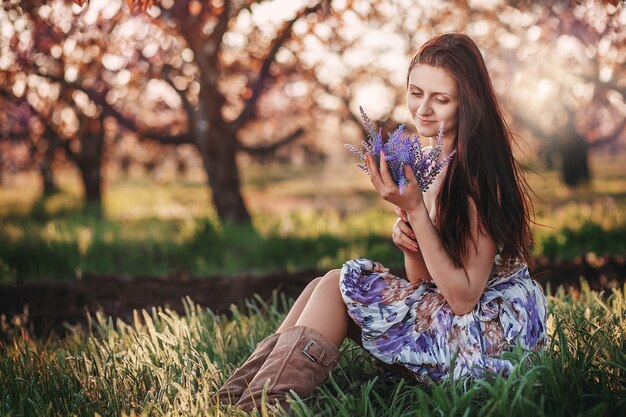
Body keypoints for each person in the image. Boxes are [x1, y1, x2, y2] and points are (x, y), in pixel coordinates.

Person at [215, 32, 548, 412]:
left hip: (490, 343)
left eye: (441, 99)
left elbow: (463, 297)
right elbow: (424, 286)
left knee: (338, 285)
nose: (423, 108)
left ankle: (266, 404)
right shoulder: (429, 161)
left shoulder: (477, 175)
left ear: (467, 104)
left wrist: (418, 214)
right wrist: (410, 231)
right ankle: (239, 396)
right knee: (322, 284)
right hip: (458, 325)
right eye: (416, 92)